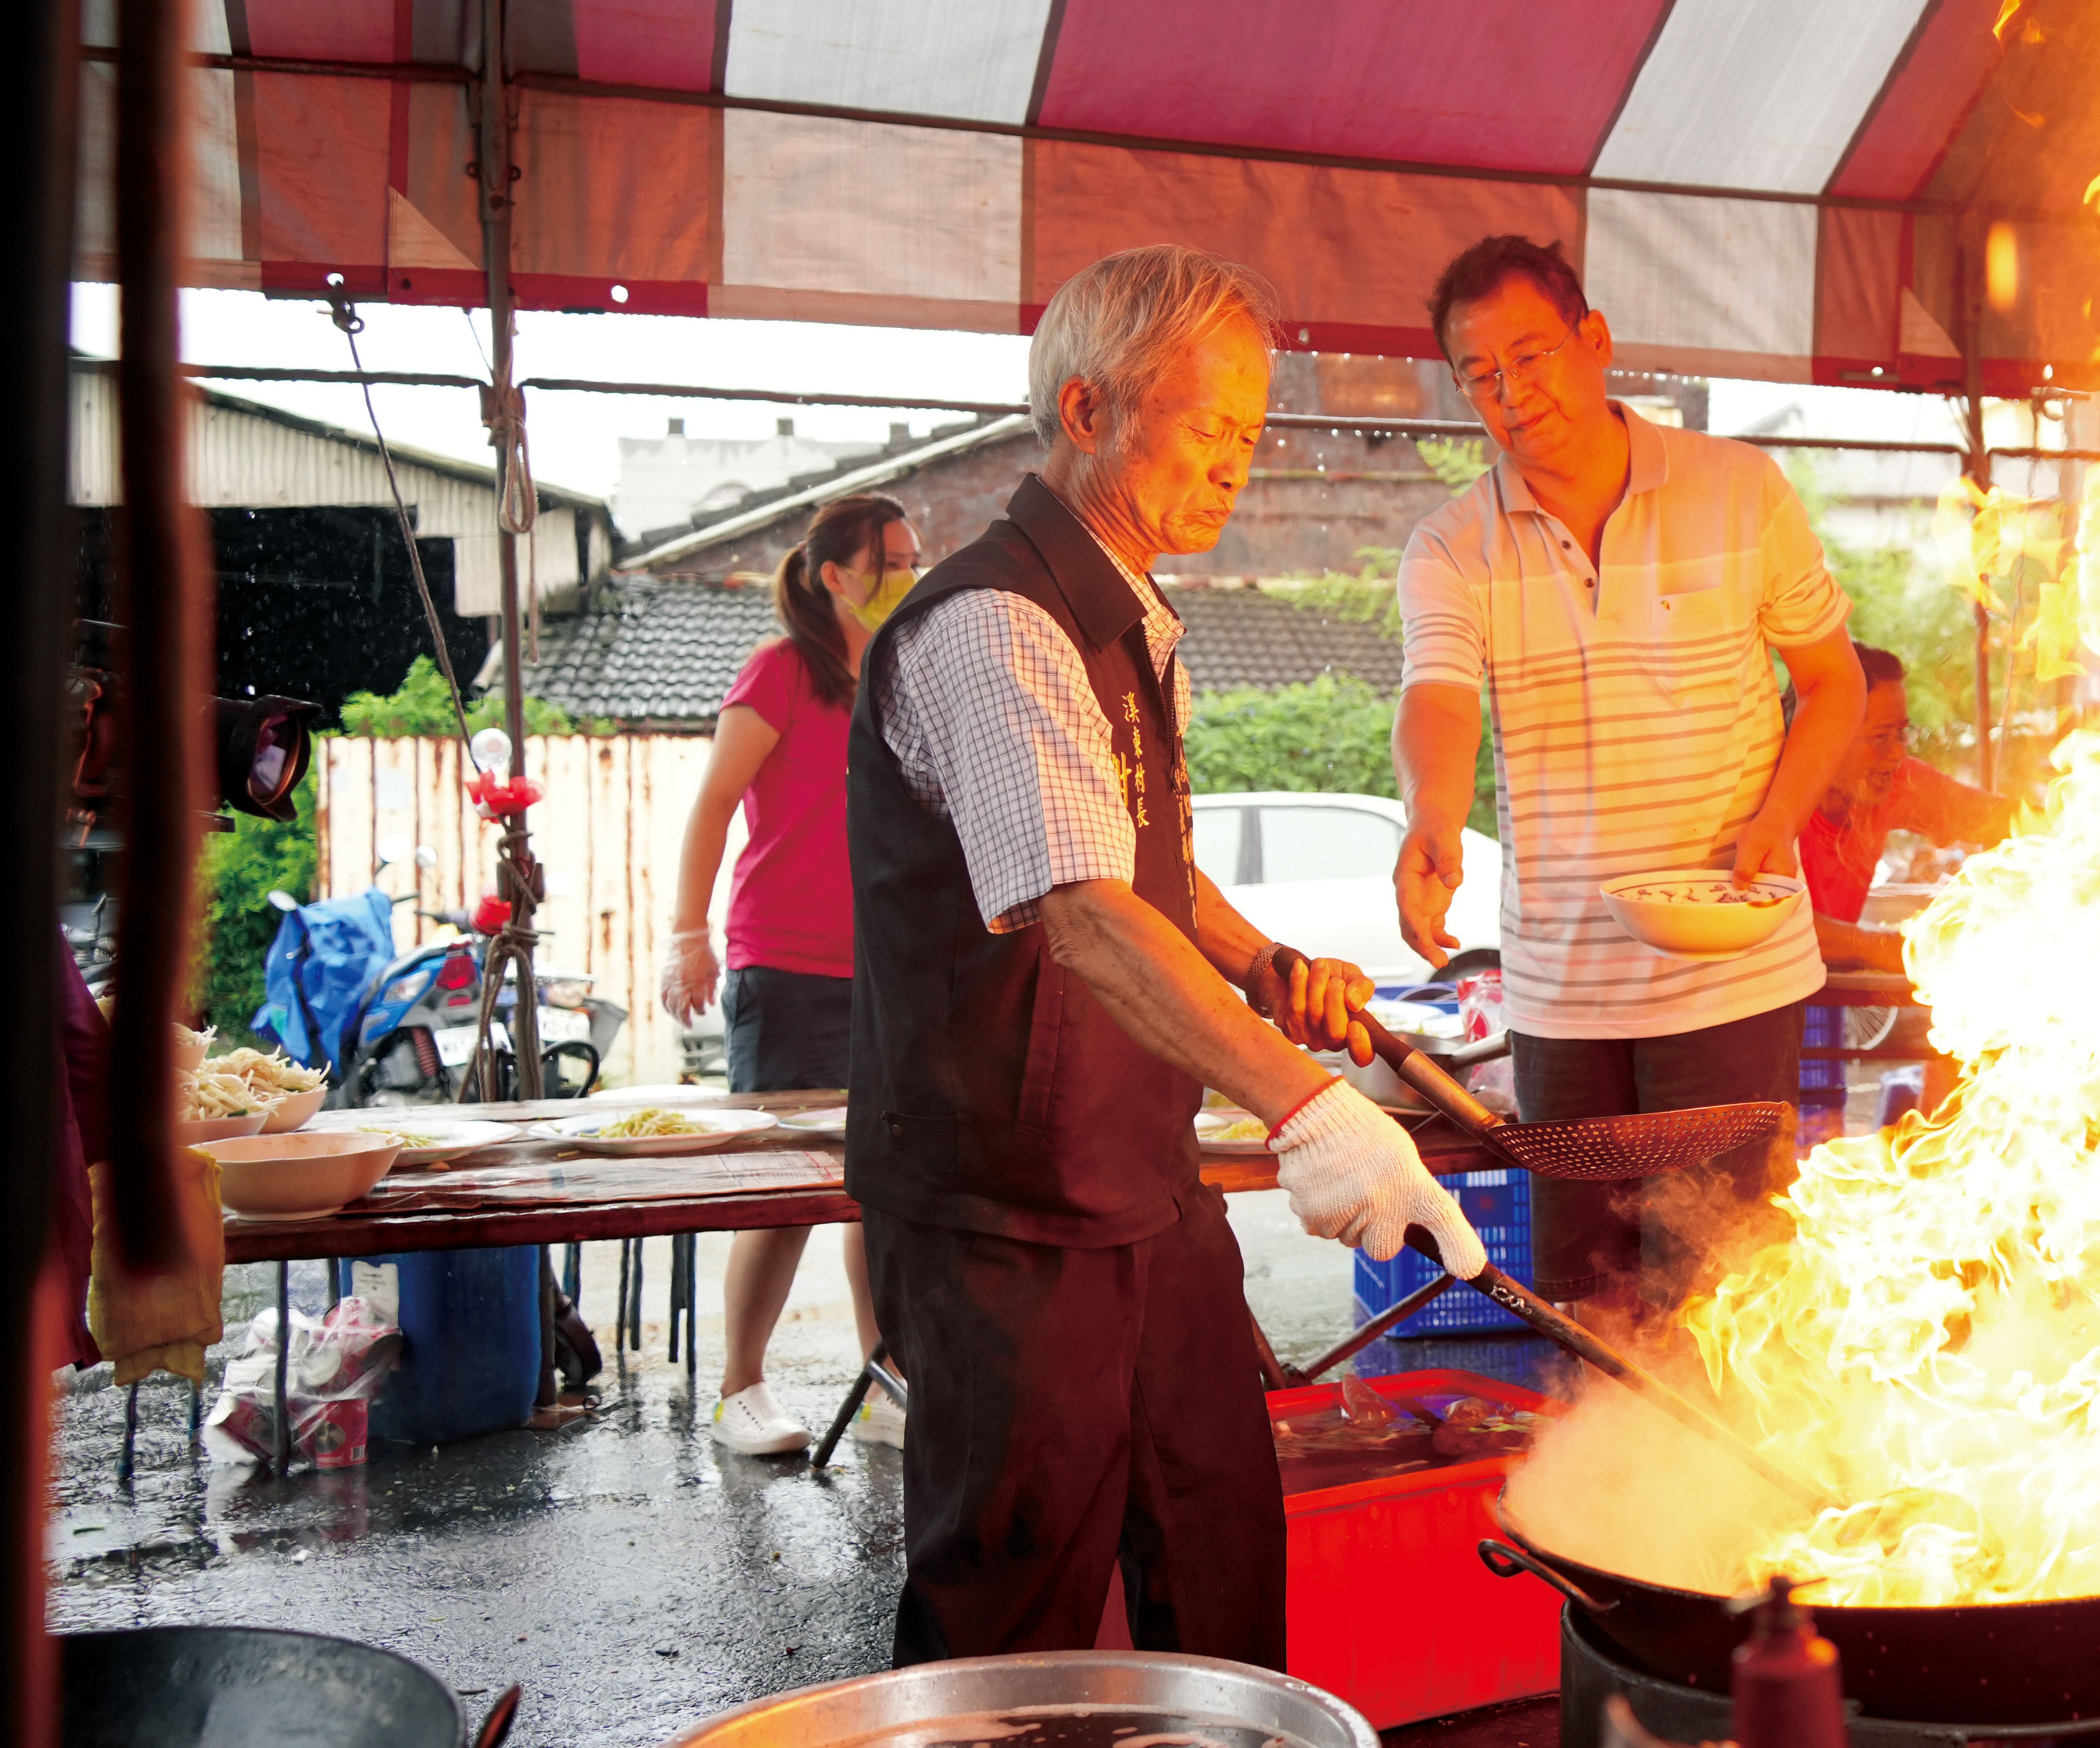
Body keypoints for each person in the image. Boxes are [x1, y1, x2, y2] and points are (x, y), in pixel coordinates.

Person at [848, 243, 1484, 1667]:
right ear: (1086, 412)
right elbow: (1078, 906)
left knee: (1215, 1539)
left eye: (1251, 434)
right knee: (1010, 1609)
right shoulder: (990, 622)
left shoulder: (1134, 622)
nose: (1236, 465)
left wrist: (1260, 962)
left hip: (1140, 1179)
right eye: (1209, 426)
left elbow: (1141, 857)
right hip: (1005, 1210)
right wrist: (1306, 1107)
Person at [1392, 235, 1864, 1308]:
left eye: (1531, 353)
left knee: (1720, 1292)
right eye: (1481, 373)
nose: (1512, 391)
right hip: (1566, 987)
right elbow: (1440, 694)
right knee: (1588, 1300)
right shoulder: (1454, 544)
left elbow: (1833, 683)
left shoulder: (1740, 490)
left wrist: (1779, 816)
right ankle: (1591, 1486)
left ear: (1593, 340)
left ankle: (1722, 1484)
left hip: (1735, 967)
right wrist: (1433, 813)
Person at [659, 493, 920, 1457]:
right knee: (783, 1189)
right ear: (834, 574)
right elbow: (714, 804)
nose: (908, 571)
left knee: (882, 1185)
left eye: (915, 555)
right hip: (785, 965)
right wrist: (688, 933)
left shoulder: (899, 676)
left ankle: (887, 1378)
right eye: (891, 557)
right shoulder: (779, 671)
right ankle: (741, 1389)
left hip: (884, 970)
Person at [1797, 643, 2010, 975]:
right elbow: (1776, 923)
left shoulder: (1896, 782)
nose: (1897, 752)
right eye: (1881, 737)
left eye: (1902, 733)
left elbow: (1993, 819)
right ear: (1823, 735)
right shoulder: (1771, 804)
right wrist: (1883, 948)